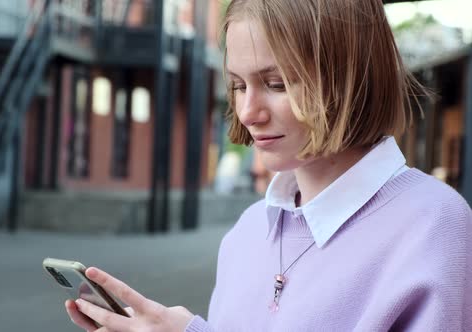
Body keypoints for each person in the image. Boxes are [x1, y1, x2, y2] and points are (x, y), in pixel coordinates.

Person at [64, 0, 472, 330]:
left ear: (351, 76)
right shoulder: (246, 232)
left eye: (276, 84)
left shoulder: (435, 225)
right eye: (238, 85)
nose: (247, 111)